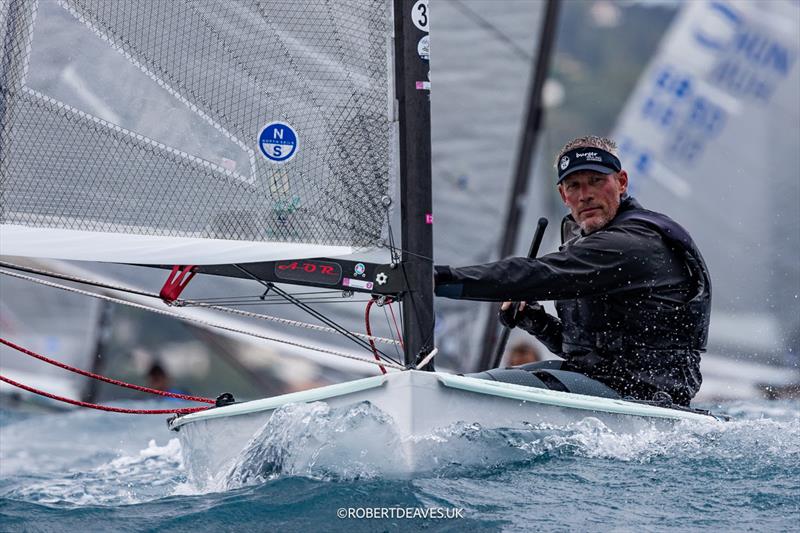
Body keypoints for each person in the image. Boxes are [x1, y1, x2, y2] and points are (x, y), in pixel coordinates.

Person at [434, 135, 711, 406]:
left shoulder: (632, 243)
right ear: (563, 195)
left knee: (473, 391)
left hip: (644, 396)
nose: (585, 195)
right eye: (573, 185)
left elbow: (537, 274)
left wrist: (439, 279)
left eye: (596, 181)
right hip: (604, 383)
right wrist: (535, 320)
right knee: (481, 381)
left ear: (622, 182)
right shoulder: (586, 242)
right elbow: (587, 352)